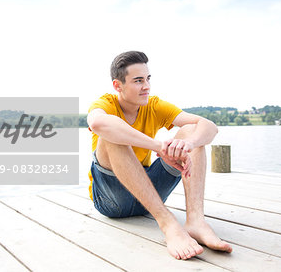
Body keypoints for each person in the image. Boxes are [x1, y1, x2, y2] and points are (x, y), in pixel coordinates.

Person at [87, 51, 233, 260]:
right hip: (112, 200)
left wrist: (187, 144)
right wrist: (159, 146)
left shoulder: (154, 105)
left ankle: (196, 222)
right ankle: (168, 224)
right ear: (118, 86)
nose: (146, 86)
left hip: (148, 195)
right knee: (111, 134)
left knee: (193, 132)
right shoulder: (106, 104)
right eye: (138, 81)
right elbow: (97, 123)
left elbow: (208, 126)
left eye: (148, 79)